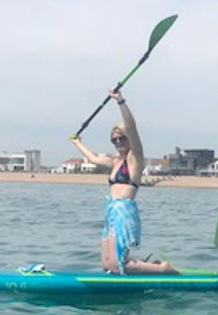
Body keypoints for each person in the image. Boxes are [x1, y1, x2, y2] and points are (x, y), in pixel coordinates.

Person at [70, 88, 178, 275]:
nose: (118, 142)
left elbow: (132, 128)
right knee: (107, 264)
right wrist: (77, 143)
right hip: (111, 211)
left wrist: (120, 101)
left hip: (125, 211)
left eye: (122, 138)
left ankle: (162, 268)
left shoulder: (135, 158)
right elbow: (94, 158)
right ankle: (145, 267)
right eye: (114, 140)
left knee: (116, 264)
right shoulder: (115, 161)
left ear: (128, 139)